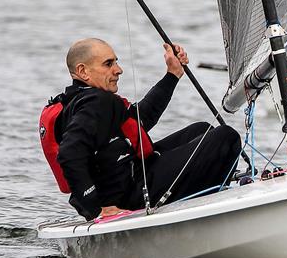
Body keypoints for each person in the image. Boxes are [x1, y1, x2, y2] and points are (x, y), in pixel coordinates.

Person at [40, 38, 241, 220]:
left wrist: (173, 75)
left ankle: (201, 193)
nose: (118, 69)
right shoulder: (95, 103)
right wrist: (94, 210)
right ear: (83, 71)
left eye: (116, 62)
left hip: (129, 177)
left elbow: (139, 120)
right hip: (128, 196)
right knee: (226, 138)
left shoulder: (79, 99)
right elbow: (69, 154)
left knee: (202, 131)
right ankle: (208, 210)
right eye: (108, 64)